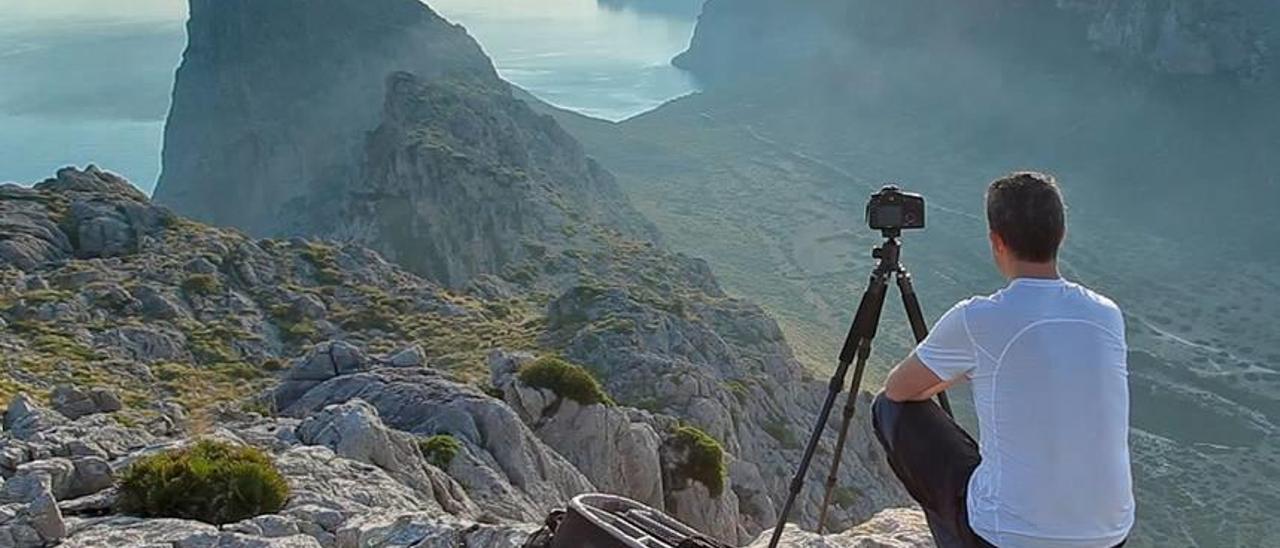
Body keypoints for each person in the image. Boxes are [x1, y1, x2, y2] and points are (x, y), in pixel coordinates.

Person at [872, 172, 1134, 548]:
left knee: (887, 407)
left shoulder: (978, 318)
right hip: (1110, 536)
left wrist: (966, 370)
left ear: (997, 241)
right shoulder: (1106, 314)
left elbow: (900, 390)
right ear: (1060, 235)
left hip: (1006, 538)